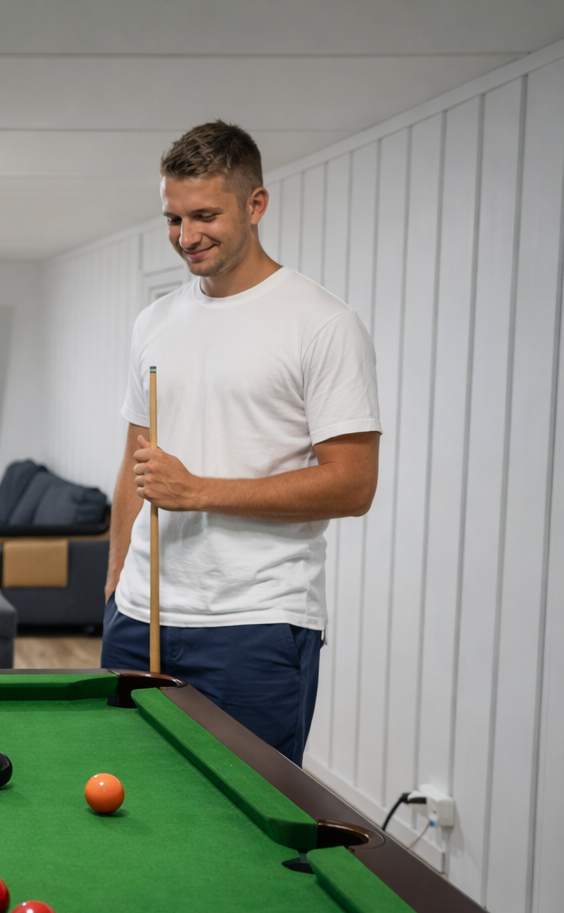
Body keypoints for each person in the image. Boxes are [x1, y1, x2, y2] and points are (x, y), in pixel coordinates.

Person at [101, 121, 382, 764]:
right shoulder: (155, 320)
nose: (186, 236)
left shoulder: (323, 324)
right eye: (173, 218)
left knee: (245, 821)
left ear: (255, 205)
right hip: (139, 619)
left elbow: (353, 483)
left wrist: (198, 491)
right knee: (125, 802)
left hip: (253, 625)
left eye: (205, 215)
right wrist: (116, 583)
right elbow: (134, 460)